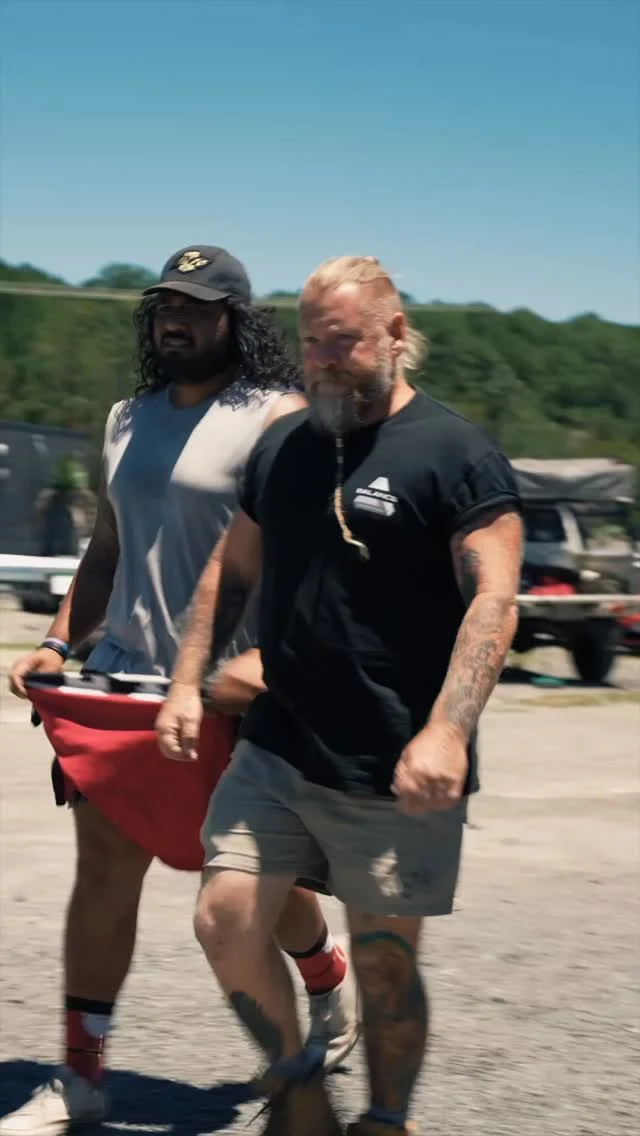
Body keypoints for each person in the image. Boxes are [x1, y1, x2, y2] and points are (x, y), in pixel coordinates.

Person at [158, 255, 524, 1135]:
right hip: (278, 744)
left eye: (343, 341)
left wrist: (448, 731)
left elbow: (494, 600)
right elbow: (230, 568)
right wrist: (186, 682)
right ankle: (299, 1089)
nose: (322, 359)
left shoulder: (455, 454)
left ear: (396, 334)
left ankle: (387, 1120)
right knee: (224, 918)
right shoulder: (285, 446)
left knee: (386, 963)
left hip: (394, 763)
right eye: (311, 341)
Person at [3, 246, 358, 1136]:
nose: (176, 320)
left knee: (246, 880)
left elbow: (312, 559)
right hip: (122, 683)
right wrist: (55, 644)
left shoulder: (278, 416)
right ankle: (81, 1078)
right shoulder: (126, 419)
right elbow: (106, 551)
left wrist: (275, 664)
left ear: (235, 319)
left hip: (230, 694)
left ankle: (328, 982)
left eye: (197, 307)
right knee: (103, 873)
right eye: (166, 305)